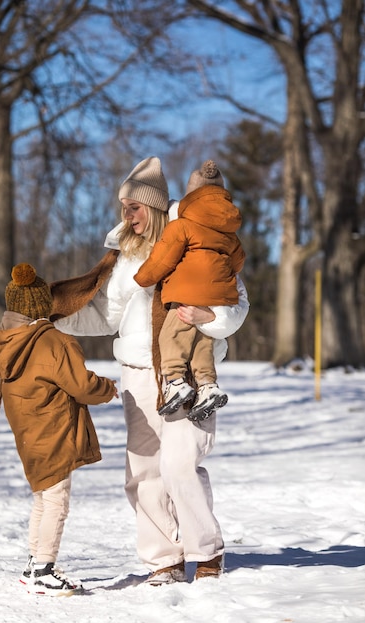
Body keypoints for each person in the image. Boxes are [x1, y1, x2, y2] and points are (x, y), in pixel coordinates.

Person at [51, 157, 249, 585]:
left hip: (191, 374)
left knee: (180, 465)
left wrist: (207, 319)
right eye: (123, 207)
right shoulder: (126, 257)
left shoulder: (203, 239)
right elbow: (105, 316)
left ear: (156, 206)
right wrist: (55, 318)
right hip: (138, 372)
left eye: (134, 206)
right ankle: (164, 559)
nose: (127, 215)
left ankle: (206, 552)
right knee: (143, 472)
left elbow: (238, 305)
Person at [0, 263, 118, 596]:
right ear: (42, 306)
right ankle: (44, 569)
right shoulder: (52, 342)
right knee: (57, 501)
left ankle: (35, 562)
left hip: (29, 434)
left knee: (43, 499)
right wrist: (109, 387)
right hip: (54, 430)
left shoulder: (8, 341)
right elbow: (83, 386)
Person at [134, 159, 245, 421]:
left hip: (186, 294)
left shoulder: (182, 225)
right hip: (218, 298)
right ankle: (207, 386)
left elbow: (162, 259)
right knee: (203, 341)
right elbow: (238, 261)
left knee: (171, 337)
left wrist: (143, 278)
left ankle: (175, 382)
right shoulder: (229, 234)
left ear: (190, 196)